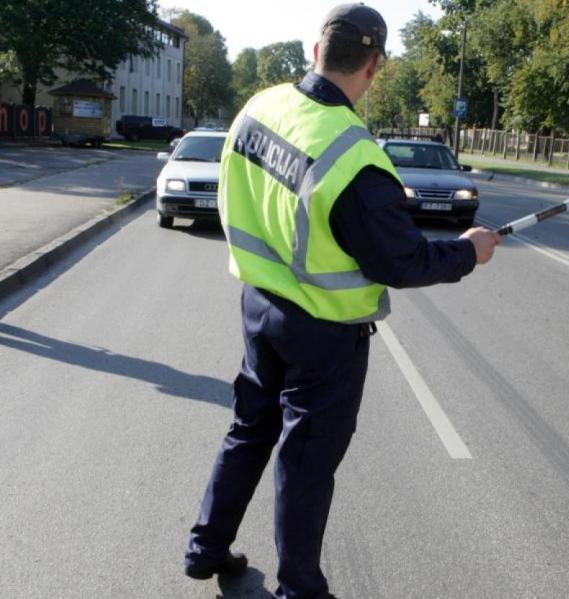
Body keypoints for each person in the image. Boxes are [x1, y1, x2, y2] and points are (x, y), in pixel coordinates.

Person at [182, 4, 501, 598]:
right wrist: (468, 251)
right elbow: (400, 261)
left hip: (259, 304)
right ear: (374, 66)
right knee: (304, 464)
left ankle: (206, 548)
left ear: (315, 51)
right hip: (324, 334)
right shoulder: (354, 156)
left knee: (249, 429)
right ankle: (300, 589)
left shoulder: (260, 108)